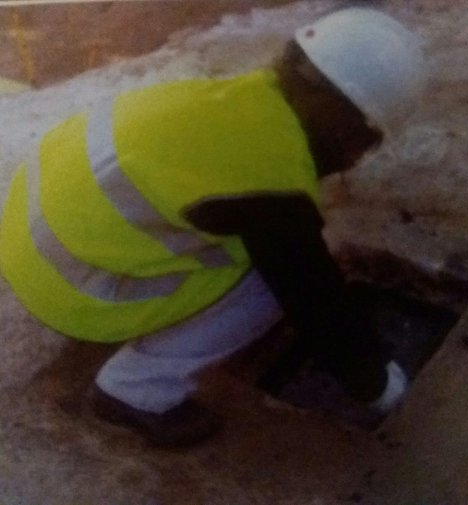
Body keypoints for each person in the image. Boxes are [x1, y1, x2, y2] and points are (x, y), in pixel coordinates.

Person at [0, 8, 425, 447]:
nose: (355, 159)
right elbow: (314, 299)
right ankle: (135, 390)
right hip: (70, 288)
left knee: (257, 250)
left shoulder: (244, 99)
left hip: (29, 240)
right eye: (366, 142)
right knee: (268, 284)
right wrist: (377, 387)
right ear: (347, 121)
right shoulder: (270, 175)